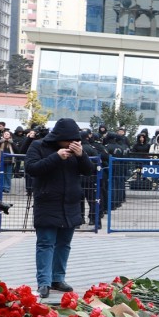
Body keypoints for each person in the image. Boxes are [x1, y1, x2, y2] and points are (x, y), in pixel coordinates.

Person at [26, 118, 96, 299]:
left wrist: (82, 156)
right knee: (45, 243)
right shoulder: (38, 146)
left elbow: (89, 171)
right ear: (59, 138)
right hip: (48, 202)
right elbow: (32, 169)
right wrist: (56, 157)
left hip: (71, 204)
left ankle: (58, 278)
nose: (74, 143)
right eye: (70, 140)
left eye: (77, 140)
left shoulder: (78, 150)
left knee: (64, 244)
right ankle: (44, 283)